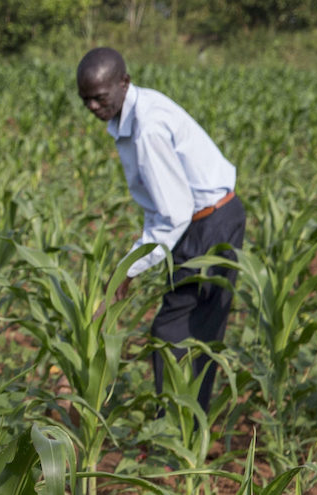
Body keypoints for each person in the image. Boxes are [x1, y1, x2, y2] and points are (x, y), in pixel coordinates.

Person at [76, 47, 243, 412]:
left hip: (208, 226)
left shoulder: (148, 128)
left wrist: (128, 271)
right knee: (183, 330)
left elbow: (173, 212)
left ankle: (180, 429)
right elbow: (164, 208)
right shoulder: (136, 113)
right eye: (85, 99)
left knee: (180, 333)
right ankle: (179, 423)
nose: (92, 107)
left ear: (124, 82)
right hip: (200, 223)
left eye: (99, 97)